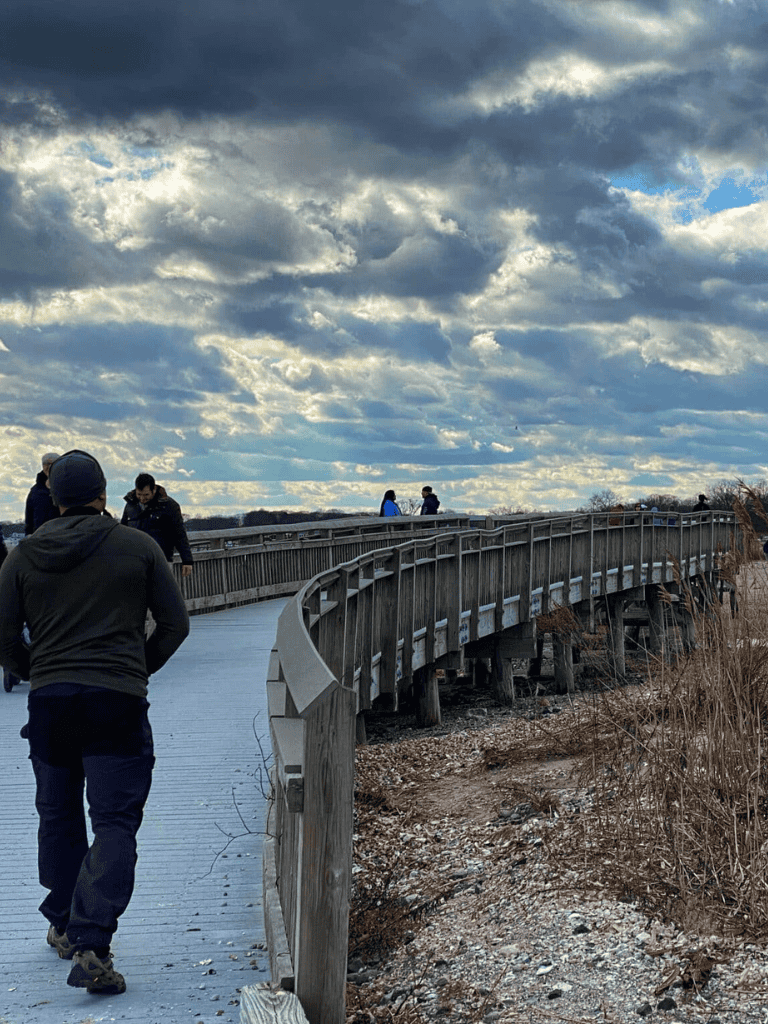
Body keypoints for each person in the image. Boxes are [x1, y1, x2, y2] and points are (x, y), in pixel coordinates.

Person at [0, 450, 189, 995]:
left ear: (54, 498)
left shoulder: (22, 556)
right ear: (105, 495)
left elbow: (3, 638)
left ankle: (63, 922)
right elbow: (175, 624)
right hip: (116, 705)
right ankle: (91, 941)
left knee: (57, 817)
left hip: (52, 706)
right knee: (114, 822)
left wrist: (36, 671)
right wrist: (136, 667)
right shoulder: (138, 547)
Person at [121, 473, 194, 577]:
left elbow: (179, 533)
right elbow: (123, 530)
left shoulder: (169, 506)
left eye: (146, 495)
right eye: (139, 494)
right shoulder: (130, 505)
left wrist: (187, 561)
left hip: (161, 559)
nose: (142, 498)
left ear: (153, 490)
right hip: (135, 559)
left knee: (162, 592)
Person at [25, 452, 60, 535]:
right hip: (39, 540)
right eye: (46, 464)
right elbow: (29, 521)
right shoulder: (35, 491)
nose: (49, 467)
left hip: (63, 538)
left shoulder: (68, 487)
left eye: (53, 464)